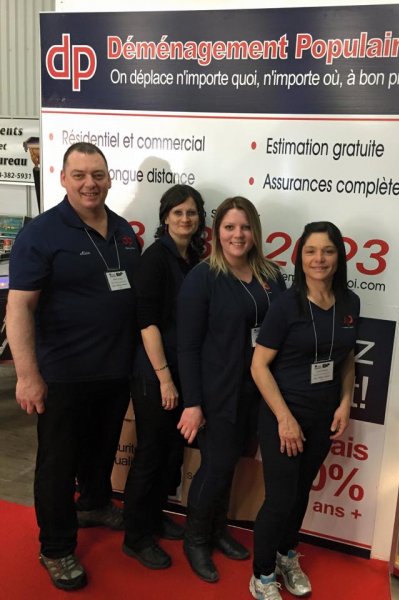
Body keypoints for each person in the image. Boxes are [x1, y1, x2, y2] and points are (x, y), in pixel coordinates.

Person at [5, 142, 140, 591]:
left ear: (109, 178)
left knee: (101, 451)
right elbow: (19, 308)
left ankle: (95, 503)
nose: (89, 184)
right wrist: (27, 376)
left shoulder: (123, 231)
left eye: (97, 174)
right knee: (58, 465)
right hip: (63, 374)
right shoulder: (41, 234)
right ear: (63, 178)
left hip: (115, 371)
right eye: (79, 175)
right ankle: (56, 547)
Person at [177, 196, 286, 583]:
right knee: (215, 467)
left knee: (231, 465)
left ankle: (218, 529)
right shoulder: (203, 277)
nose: (237, 235)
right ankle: (195, 538)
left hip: (257, 391)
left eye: (244, 227)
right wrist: (193, 403)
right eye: (229, 227)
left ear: (255, 231)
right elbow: (187, 346)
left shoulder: (271, 275)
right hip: (217, 392)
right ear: (216, 232)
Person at [249, 221, 360, 599]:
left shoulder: (349, 302)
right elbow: (258, 366)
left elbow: (347, 359)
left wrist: (345, 401)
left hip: (323, 416)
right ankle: (262, 575)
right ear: (300, 257)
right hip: (284, 416)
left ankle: (285, 555)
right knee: (280, 499)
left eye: (327, 250)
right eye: (311, 251)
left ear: (339, 256)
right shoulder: (286, 305)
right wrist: (284, 419)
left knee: (300, 494)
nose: (319, 259)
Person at [123, 184, 206, 570]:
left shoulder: (194, 258)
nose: (185, 219)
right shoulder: (155, 258)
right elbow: (147, 322)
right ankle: (135, 537)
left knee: (170, 454)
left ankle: (154, 518)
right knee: (151, 454)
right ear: (165, 217)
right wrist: (165, 379)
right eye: (178, 212)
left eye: (191, 212)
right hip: (155, 374)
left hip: (182, 370)